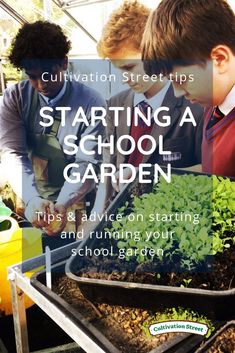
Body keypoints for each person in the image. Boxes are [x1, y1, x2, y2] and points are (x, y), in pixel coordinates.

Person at [0, 21, 105, 236]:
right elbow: (13, 153)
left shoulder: (91, 102)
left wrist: (63, 203)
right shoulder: (15, 98)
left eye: (48, 73)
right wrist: (31, 200)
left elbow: (87, 162)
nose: (41, 84)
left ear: (64, 63)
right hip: (31, 195)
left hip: (76, 200)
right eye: (32, 76)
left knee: (68, 258)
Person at [96, 0, 203, 203]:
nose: (124, 78)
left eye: (129, 67)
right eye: (119, 70)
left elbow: (209, 169)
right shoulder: (114, 105)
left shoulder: (195, 104)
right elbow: (108, 168)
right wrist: (96, 217)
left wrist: (146, 176)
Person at [142, 0, 235, 178]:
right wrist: (152, 176)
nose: (178, 93)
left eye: (181, 79)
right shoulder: (211, 105)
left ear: (219, 60)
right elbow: (214, 174)